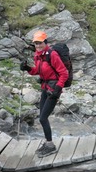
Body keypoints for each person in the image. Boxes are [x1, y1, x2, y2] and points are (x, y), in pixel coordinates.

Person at [20, 30, 69, 158]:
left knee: (42, 118)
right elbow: (38, 70)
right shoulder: (37, 55)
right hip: (45, 88)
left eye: (40, 43)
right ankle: (48, 143)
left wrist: (57, 89)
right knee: (42, 117)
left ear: (45, 42)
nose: (38, 46)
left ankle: (50, 145)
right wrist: (28, 68)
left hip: (53, 90)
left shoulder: (52, 55)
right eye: (36, 43)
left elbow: (64, 73)